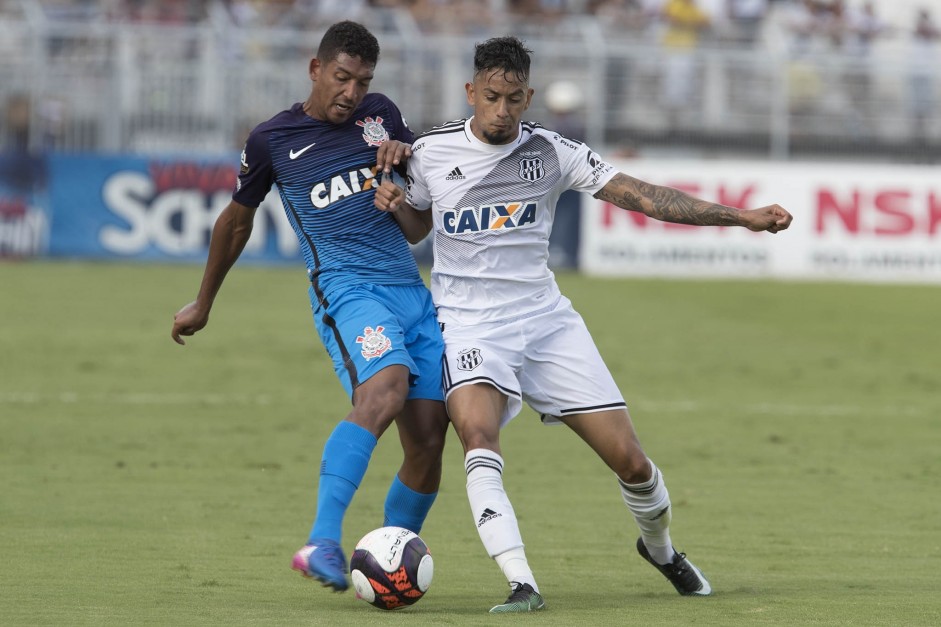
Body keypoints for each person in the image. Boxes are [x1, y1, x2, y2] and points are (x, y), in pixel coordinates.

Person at [375, 35, 792, 613]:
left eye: (514, 99)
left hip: (546, 322)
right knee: (476, 435)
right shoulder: (430, 152)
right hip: (469, 326)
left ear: (529, 96)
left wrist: (737, 217)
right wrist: (396, 203)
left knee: (632, 463)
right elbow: (420, 229)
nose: (502, 111)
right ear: (471, 91)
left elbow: (643, 196)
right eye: (491, 97)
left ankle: (662, 551)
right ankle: (522, 582)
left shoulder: (552, 151)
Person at [170, 21, 448, 594]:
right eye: (342, 78)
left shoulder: (383, 117)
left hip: (411, 293)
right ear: (316, 69)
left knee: (428, 438)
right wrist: (204, 301)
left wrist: (403, 176)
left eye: (363, 80)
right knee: (385, 389)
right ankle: (321, 538)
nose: (351, 92)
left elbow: (418, 225)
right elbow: (236, 221)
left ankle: (387, 563)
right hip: (348, 290)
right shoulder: (273, 138)